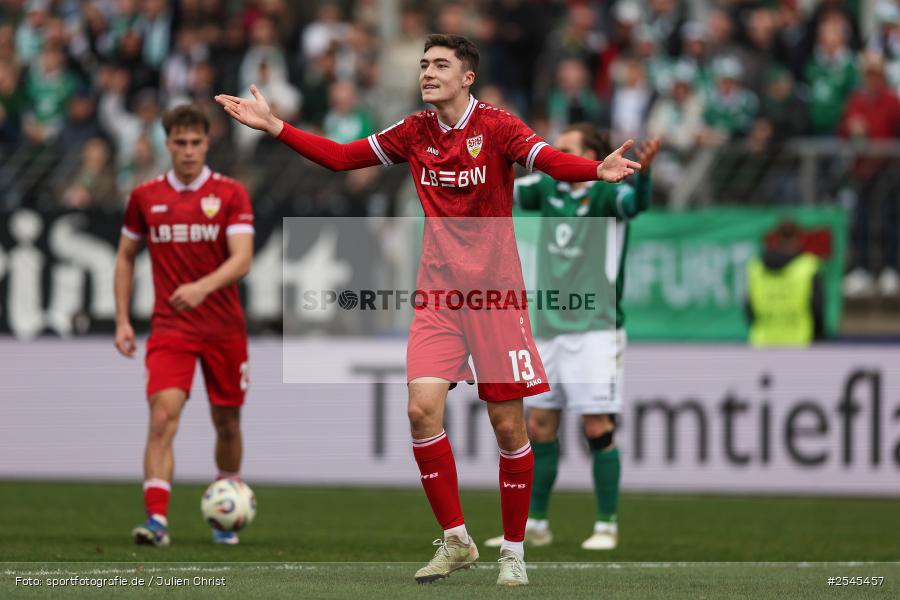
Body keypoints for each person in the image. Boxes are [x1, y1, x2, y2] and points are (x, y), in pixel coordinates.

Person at [215, 33, 639, 586]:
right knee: (420, 410)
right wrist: (275, 127)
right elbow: (344, 159)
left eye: (440, 64)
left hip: (495, 297)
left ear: (467, 77)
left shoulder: (499, 126)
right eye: (423, 64)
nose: (428, 71)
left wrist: (593, 170)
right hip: (438, 297)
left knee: (509, 425)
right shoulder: (414, 131)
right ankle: (457, 539)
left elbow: (550, 161)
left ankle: (514, 551)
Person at [485, 124, 658, 550]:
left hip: (596, 328)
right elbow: (500, 186)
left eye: (565, 150)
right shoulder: (548, 191)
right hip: (548, 327)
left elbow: (635, 203)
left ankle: (606, 524)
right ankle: (537, 523)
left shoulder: (605, 195)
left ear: (592, 155)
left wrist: (647, 177)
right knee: (540, 425)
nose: (553, 155)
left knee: (596, 423)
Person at [114, 104, 255, 547]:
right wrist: (122, 319)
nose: (189, 151)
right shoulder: (145, 196)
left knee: (227, 423)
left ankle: (225, 506)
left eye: (196, 143)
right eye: (181, 142)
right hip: (171, 328)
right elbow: (124, 257)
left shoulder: (230, 193)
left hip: (224, 329)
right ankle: (156, 522)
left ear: (206, 143)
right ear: (168, 143)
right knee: (162, 418)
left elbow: (242, 259)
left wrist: (201, 287)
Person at [746, 220, 825, 347]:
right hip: (799, 343)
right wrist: (819, 337)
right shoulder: (808, 266)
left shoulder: (756, 267)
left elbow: (749, 307)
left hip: (762, 343)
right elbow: (817, 307)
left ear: (776, 238)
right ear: (799, 238)